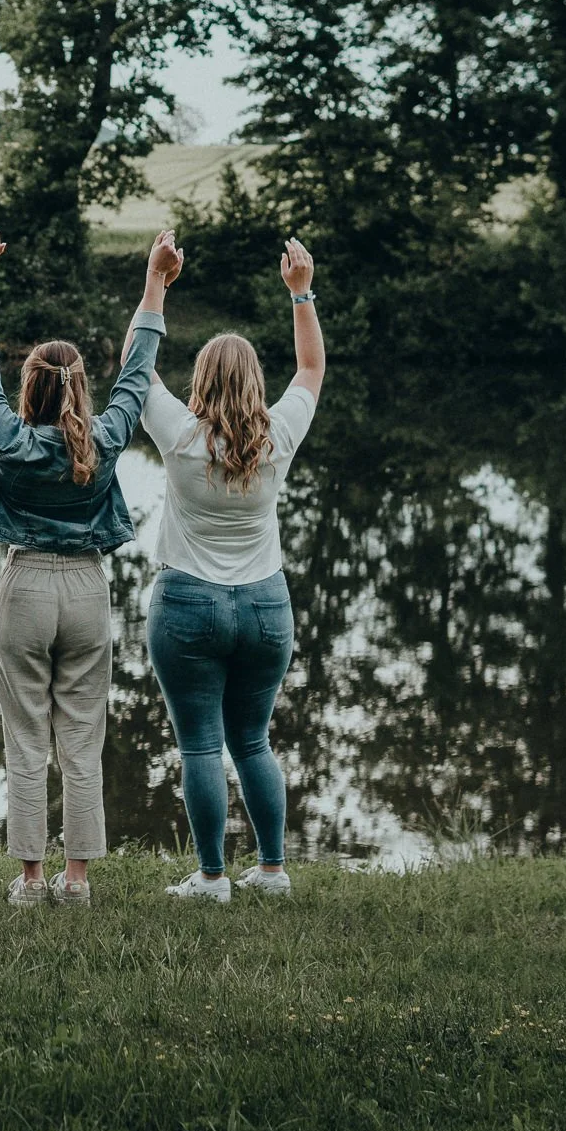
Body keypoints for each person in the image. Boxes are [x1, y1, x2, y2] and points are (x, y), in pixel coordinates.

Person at [0, 225, 181, 908]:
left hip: (24, 584)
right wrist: (153, 283)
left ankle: (30, 881)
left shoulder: (10, 437)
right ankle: (77, 881)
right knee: (81, 738)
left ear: (29, 390)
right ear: (81, 389)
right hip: (86, 587)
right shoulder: (106, 440)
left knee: (26, 735)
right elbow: (138, 374)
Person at [142, 238, 323, 902]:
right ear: (254, 382)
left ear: (202, 379)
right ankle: (272, 869)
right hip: (266, 607)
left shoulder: (181, 436)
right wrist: (300, 291)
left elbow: (138, 368)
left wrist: (157, 281)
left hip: (188, 603)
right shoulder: (278, 435)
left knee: (199, 746)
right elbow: (309, 368)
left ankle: (213, 877)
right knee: (253, 738)